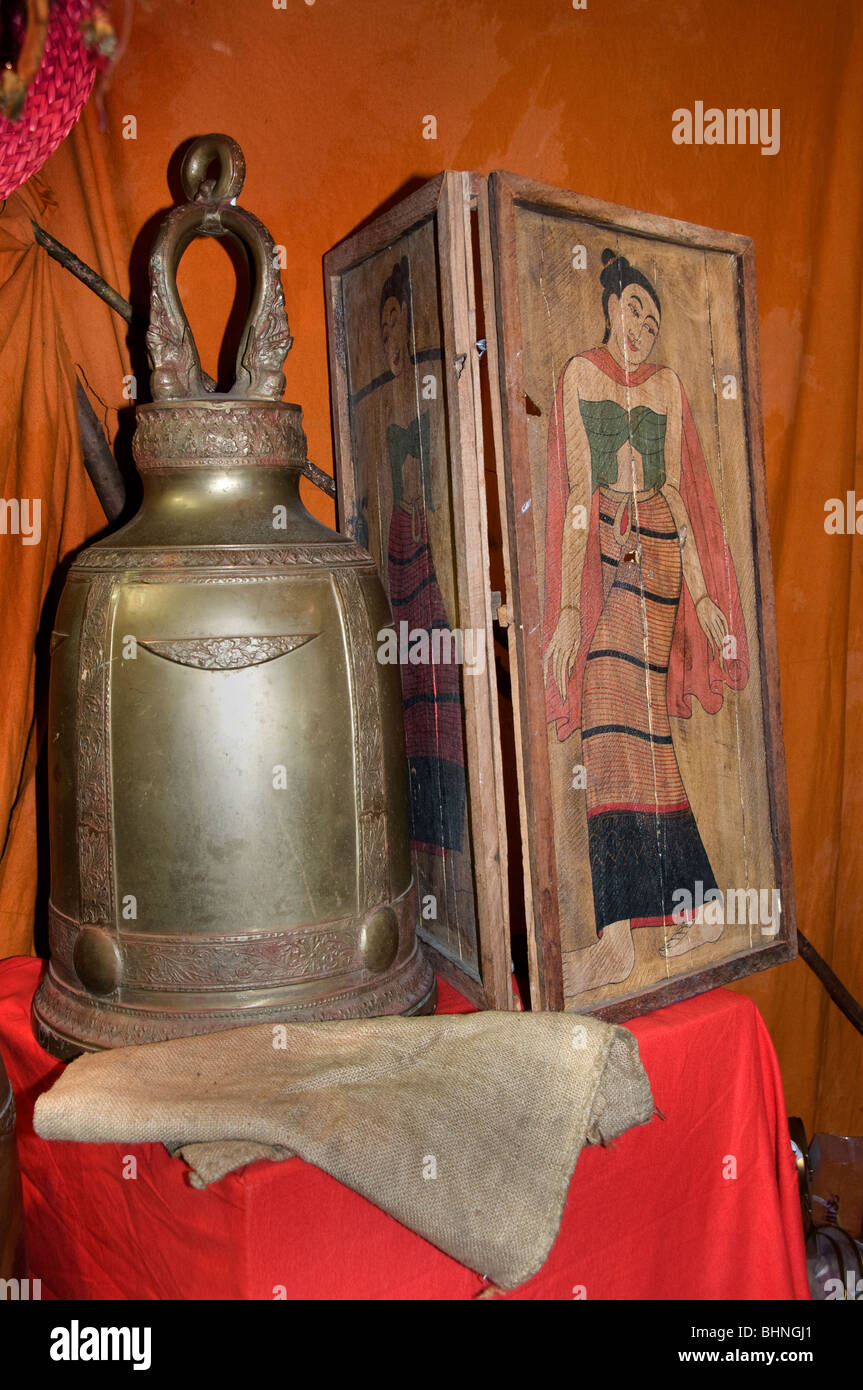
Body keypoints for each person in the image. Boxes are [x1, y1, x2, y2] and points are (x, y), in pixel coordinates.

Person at [543, 249, 749, 991]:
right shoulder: (578, 375)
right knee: (620, 731)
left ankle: (629, 935)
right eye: (633, 308)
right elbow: (574, 495)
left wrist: (700, 596)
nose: (642, 327)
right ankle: (663, 919)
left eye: (654, 319)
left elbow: (683, 502)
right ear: (608, 306)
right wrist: (567, 606)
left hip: (656, 551)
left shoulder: (664, 387)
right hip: (606, 550)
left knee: (627, 723)